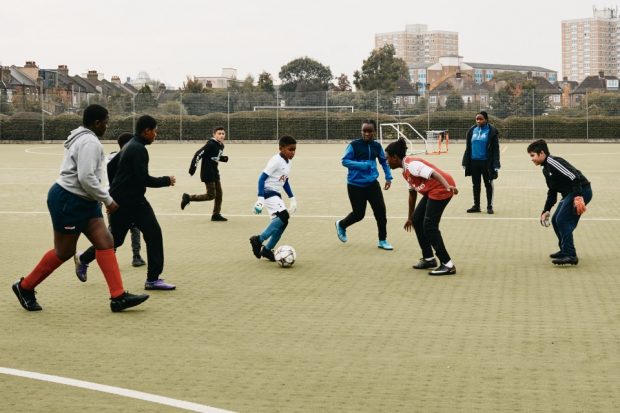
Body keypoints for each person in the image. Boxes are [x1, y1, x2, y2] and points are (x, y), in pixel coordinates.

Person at [11, 104, 149, 312]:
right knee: (64, 251)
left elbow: (89, 178)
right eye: (105, 122)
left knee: (105, 241)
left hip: (85, 200)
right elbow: (86, 178)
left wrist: (100, 198)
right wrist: (107, 200)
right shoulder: (89, 142)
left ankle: (118, 297)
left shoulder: (83, 137)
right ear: (96, 123)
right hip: (69, 200)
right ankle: (25, 287)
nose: (106, 125)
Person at [76, 115, 177, 290]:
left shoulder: (130, 145)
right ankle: (152, 280)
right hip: (132, 202)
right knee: (148, 234)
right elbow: (143, 179)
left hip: (123, 200)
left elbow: (110, 168)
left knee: (119, 238)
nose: (156, 134)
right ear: (146, 131)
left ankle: (84, 259)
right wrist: (166, 180)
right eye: (155, 131)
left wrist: (115, 189)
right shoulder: (138, 149)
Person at [384, 138, 459, 276]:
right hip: (432, 190)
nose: (386, 161)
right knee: (417, 220)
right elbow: (412, 194)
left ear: (395, 157)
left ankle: (448, 264)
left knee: (429, 226)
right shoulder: (405, 171)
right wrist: (409, 217)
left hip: (442, 188)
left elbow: (434, 174)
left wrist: (448, 187)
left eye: (387, 158)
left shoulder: (412, 165)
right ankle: (429, 259)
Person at [527, 139, 592, 266]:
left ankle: (570, 255)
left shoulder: (554, 162)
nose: (532, 159)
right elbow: (552, 191)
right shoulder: (546, 169)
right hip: (570, 193)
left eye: (532, 155)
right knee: (556, 219)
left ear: (541, 153)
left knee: (562, 219)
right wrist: (546, 210)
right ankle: (564, 250)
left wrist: (578, 197)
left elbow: (574, 176)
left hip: (581, 190)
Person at [335, 119, 394, 250]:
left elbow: (384, 162)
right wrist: (362, 165)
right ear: (361, 131)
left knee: (381, 213)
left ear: (374, 132)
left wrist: (388, 177)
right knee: (359, 215)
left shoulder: (377, 146)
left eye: (370, 131)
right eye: (364, 131)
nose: (367, 134)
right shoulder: (354, 145)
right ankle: (342, 225)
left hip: (372, 184)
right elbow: (345, 161)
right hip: (355, 185)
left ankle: (382, 240)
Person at [249, 135, 297, 261]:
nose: (292, 152)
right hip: (268, 192)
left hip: (276, 193)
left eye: (294, 150)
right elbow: (262, 178)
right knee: (284, 216)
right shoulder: (275, 160)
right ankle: (258, 240)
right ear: (281, 148)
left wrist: (292, 198)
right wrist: (260, 199)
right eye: (290, 149)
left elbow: (284, 181)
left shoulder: (289, 162)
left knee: (283, 223)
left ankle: (266, 250)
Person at [181, 126, 229, 221]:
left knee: (219, 194)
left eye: (223, 133)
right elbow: (198, 154)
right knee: (211, 195)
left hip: (215, 172)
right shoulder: (210, 144)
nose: (221, 135)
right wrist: (193, 167)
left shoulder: (221, 145)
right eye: (219, 133)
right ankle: (188, 197)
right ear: (214, 135)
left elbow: (213, 156)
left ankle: (216, 215)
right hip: (208, 173)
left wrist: (222, 158)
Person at [462, 110, 500, 214]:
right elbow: (468, 148)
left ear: (486, 119)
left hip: (486, 163)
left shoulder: (491, 131)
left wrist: (496, 166)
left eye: (481, 119)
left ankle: (489, 206)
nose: (478, 121)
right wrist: (465, 161)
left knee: (488, 184)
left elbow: (496, 149)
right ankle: (476, 206)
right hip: (474, 162)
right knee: (476, 185)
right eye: (477, 119)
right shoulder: (472, 130)